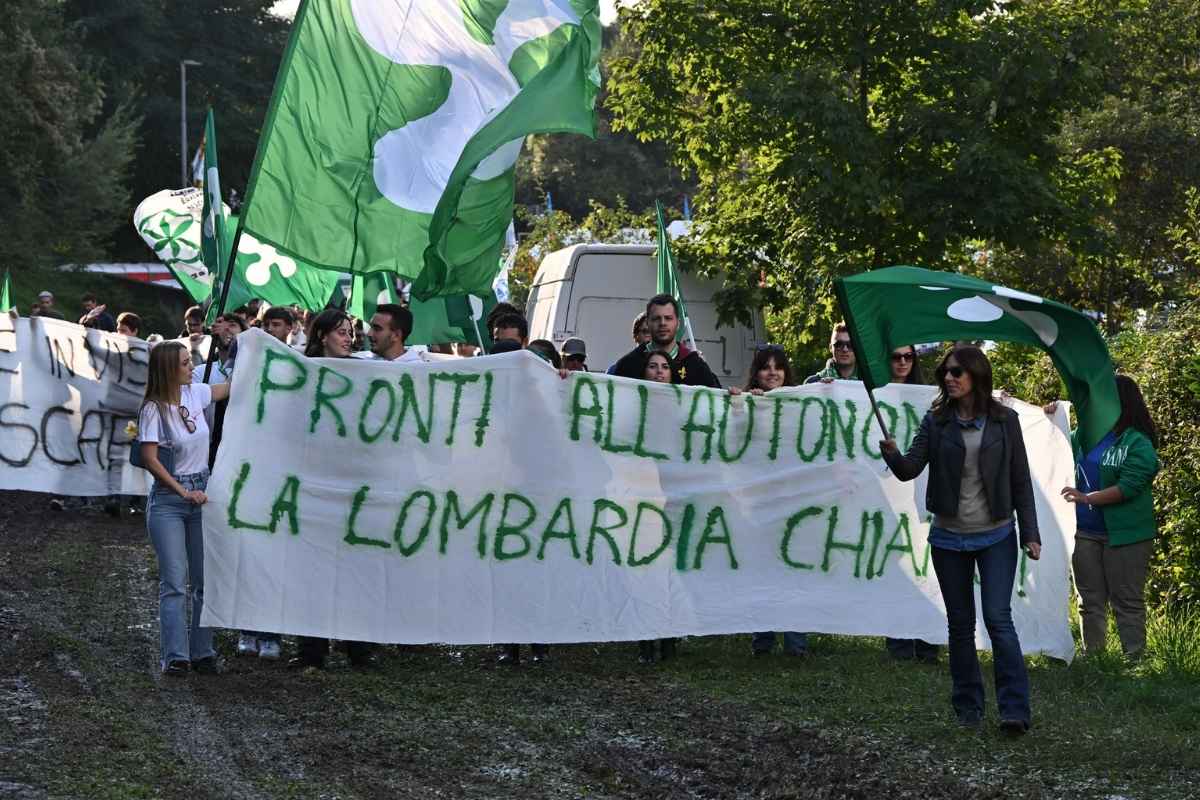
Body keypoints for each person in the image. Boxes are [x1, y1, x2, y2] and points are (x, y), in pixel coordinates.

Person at [880, 346, 1040, 734]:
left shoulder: (1005, 420)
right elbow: (909, 470)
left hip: (997, 534)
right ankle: (968, 708)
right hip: (949, 539)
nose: (949, 378)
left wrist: (1031, 533)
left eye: (956, 373)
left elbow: (1020, 479)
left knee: (998, 620)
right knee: (959, 625)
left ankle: (1013, 710)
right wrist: (893, 455)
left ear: (975, 376)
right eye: (945, 373)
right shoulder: (936, 421)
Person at [1048, 375, 1159, 659]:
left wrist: (1087, 498)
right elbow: (1052, 446)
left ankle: (1134, 662)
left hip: (1126, 536)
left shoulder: (1138, 442)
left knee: (1127, 601)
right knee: (1089, 601)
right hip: (1084, 532)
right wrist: (1051, 418)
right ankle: (1094, 659)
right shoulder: (1083, 435)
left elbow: (1130, 486)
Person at [137, 340, 231, 676]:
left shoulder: (197, 393)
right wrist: (182, 491)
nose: (192, 367)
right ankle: (175, 655)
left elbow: (232, 388)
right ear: (167, 369)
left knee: (204, 581)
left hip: (202, 493)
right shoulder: (153, 409)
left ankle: (203, 651)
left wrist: (250, 349)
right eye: (185, 363)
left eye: (191, 361)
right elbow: (149, 459)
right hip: (169, 501)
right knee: (175, 582)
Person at [291, 309, 374, 670]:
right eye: (341, 332)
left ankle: (358, 648)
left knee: (356, 569)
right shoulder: (301, 372)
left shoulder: (363, 370)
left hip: (354, 486)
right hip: (313, 487)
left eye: (351, 332)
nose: (348, 338)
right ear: (322, 335)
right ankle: (312, 649)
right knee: (312, 570)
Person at [742, 345, 810, 658]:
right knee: (761, 569)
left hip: (792, 501)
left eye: (778, 367)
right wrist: (739, 406)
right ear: (755, 372)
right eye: (765, 367)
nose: (772, 373)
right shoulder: (746, 405)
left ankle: (796, 642)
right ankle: (763, 639)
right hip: (758, 503)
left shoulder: (800, 406)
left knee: (792, 569)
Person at [883, 344, 939, 664]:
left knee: (927, 570)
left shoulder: (932, 400)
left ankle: (929, 640)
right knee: (898, 570)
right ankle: (899, 642)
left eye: (908, 356)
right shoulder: (870, 394)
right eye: (896, 356)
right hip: (886, 497)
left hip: (922, 493)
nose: (903, 362)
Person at [635, 348, 681, 664]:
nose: (659, 371)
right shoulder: (630, 405)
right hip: (639, 502)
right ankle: (644, 642)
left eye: (665, 366)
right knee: (643, 573)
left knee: (669, 575)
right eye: (652, 366)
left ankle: (668, 640)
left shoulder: (684, 406)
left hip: (671, 502)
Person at [611, 295, 722, 388]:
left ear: (678, 323)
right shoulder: (628, 365)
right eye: (656, 319)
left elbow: (719, 405)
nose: (662, 323)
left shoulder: (696, 366)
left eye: (668, 318)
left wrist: (735, 399)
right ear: (648, 323)